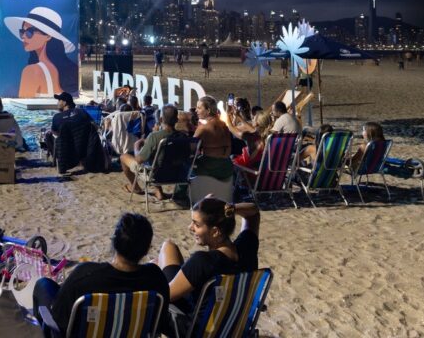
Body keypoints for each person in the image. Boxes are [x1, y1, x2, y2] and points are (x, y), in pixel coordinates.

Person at [33, 213, 170, 336]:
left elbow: (59, 319)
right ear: (146, 250)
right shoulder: (156, 278)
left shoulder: (85, 275)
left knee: (43, 284)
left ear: (114, 242)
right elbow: (160, 323)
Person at [158, 198, 260, 322]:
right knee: (161, 260)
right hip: (232, 324)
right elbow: (253, 212)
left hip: (196, 326)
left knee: (168, 247)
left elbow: (164, 296)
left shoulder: (203, 261)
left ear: (215, 231)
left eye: (197, 225)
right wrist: (230, 208)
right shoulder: (247, 247)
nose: (190, 228)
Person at [4, 7, 78, 97]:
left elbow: (25, 103)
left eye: (29, 32)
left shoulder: (32, 71)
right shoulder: (54, 70)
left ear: (48, 36)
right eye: (22, 31)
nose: (23, 36)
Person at [120, 105, 183, 199]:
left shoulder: (154, 136)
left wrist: (137, 145)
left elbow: (138, 160)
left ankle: (136, 188)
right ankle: (159, 191)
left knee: (123, 157)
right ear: (176, 120)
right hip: (178, 175)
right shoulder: (183, 136)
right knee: (157, 157)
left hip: (155, 176)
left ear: (161, 119)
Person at [192, 96, 234, 181]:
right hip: (227, 168)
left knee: (185, 168)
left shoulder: (203, 128)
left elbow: (191, 148)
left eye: (199, 108)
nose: (196, 110)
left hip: (210, 168)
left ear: (208, 110)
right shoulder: (224, 125)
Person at [41, 92, 85, 156]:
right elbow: (93, 126)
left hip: (65, 152)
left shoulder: (57, 117)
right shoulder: (82, 112)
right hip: (82, 148)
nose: (57, 103)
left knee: (48, 134)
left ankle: (55, 156)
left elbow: (55, 133)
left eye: (59, 100)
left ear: (64, 103)